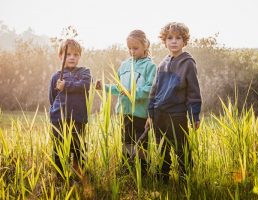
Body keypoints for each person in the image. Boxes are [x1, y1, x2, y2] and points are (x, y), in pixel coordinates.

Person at [147, 22, 202, 182]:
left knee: (181, 148)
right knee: (161, 147)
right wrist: (150, 113)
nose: (174, 41)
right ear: (164, 41)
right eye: (170, 38)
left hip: (177, 114)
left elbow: (193, 91)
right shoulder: (162, 63)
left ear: (184, 41)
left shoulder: (188, 63)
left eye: (178, 38)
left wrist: (194, 115)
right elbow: (154, 89)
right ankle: (163, 177)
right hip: (159, 113)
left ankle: (185, 179)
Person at [97, 30, 156, 164]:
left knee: (141, 145)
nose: (132, 51)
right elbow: (119, 89)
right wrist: (103, 87)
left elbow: (150, 89)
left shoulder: (150, 66)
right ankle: (126, 169)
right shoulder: (124, 65)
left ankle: (142, 172)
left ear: (145, 45)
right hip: (124, 112)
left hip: (141, 114)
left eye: (135, 48)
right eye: (129, 48)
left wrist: (131, 92)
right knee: (126, 143)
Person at [49, 39, 91, 177]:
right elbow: (52, 97)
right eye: (68, 54)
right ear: (61, 56)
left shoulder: (84, 72)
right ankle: (60, 176)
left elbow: (85, 85)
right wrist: (56, 111)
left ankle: (79, 176)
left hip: (78, 118)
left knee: (78, 148)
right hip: (59, 119)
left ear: (79, 56)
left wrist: (66, 85)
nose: (72, 57)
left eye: (75, 54)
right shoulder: (56, 76)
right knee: (59, 148)